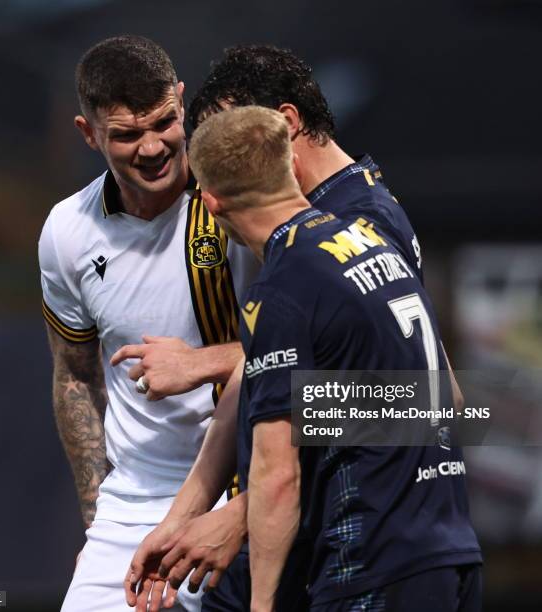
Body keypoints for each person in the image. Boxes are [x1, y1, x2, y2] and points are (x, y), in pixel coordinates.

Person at [126, 45, 464, 610]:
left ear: (282, 125)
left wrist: (243, 512)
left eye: (234, 143)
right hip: (315, 531)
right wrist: (187, 513)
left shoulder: (357, 222)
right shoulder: (302, 225)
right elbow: (269, 377)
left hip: (358, 542)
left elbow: (429, 398)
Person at [186, 105, 483, 611]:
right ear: (291, 170)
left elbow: (278, 476)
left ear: (211, 205)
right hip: (450, 552)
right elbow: (445, 397)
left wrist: (261, 607)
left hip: (370, 566)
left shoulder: (280, 291)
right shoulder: (373, 239)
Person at [38, 35, 257, 612]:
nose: (154, 147)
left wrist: (204, 361)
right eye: (127, 135)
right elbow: (74, 378)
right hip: (130, 507)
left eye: (163, 122)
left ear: (181, 102)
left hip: (249, 486)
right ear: (89, 134)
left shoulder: (242, 196)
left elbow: (329, 352)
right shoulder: (66, 232)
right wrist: (97, 523)